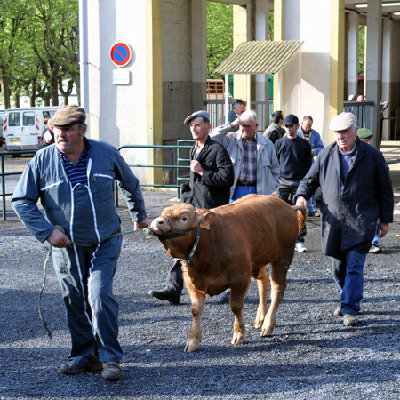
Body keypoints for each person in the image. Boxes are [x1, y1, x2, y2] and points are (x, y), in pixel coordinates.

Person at [12, 104, 148, 380]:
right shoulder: (41, 160)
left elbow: (130, 183)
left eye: (67, 130)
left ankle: (110, 358)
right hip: (66, 245)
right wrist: (47, 231)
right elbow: (21, 201)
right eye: (56, 129)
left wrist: (140, 215)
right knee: (74, 299)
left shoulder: (105, 153)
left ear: (82, 130)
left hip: (104, 240)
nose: (60, 135)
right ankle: (84, 356)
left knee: (99, 295)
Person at [295, 112, 394, 326]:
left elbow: (385, 189)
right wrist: (302, 195)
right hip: (335, 224)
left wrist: (384, 220)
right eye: (337, 133)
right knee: (338, 268)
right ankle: (346, 296)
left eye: (345, 132)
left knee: (355, 266)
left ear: (354, 131)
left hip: (362, 221)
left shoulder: (372, 155)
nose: (340, 137)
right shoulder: (326, 155)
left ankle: (350, 307)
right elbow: (309, 180)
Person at [148, 110, 234, 305]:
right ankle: (173, 289)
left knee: (218, 250)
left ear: (208, 127)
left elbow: (227, 179)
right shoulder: (193, 149)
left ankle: (231, 286)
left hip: (211, 211)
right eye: (191, 126)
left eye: (197, 125)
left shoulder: (218, 150)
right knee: (182, 245)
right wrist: (185, 196)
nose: (194, 129)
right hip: (192, 209)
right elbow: (193, 181)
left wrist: (203, 172)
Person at [211, 109, 280, 302]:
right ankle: (232, 284)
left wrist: (271, 186)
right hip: (236, 194)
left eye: (248, 125)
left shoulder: (266, 143)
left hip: (258, 195)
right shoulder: (231, 139)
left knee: (259, 240)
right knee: (233, 242)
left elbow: (275, 168)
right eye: (242, 125)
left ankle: (261, 280)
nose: (244, 129)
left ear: (257, 127)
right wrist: (232, 125)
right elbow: (212, 136)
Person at [274, 114, 313, 253]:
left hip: (299, 182)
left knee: (300, 211)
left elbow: (310, 166)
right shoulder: (279, 143)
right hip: (282, 181)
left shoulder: (304, 144)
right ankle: (278, 240)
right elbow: (274, 163)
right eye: (287, 126)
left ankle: (299, 240)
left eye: (292, 126)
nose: (289, 128)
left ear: (298, 126)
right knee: (278, 212)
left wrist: (306, 184)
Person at [357, 128, 382, 254]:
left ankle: (373, 242)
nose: (368, 143)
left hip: (372, 192)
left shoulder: (376, 155)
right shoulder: (352, 155)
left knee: (373, 217)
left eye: (369, 141)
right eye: (364, 141)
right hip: (356, 193)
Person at [297, 116, 324, 216]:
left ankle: (312, 209)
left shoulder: (315, 134)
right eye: (306, 126)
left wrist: (313, 151)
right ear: (301, 124)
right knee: (299, 186)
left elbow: (321, 148)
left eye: (310, 126)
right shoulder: (297, 133)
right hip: (298, 164)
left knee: (311, 184)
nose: (308, 128)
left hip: (310, 164)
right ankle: (299, 209)